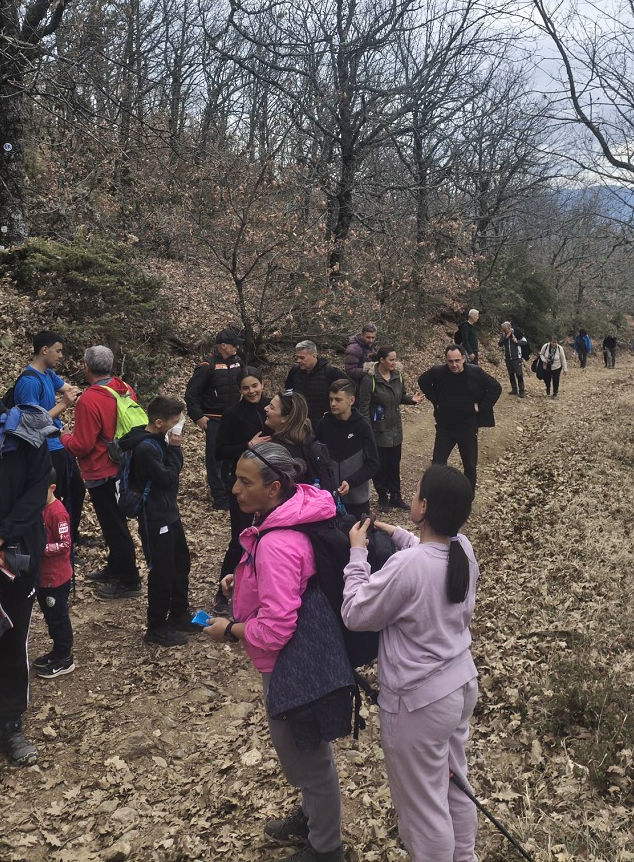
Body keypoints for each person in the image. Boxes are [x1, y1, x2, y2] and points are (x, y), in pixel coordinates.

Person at [203, 443, 346, 862]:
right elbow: (292, 582)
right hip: (310, 653)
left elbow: (277, 627)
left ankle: (326, 848)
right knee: (307, 749)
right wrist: (245, 578)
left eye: (244, 482)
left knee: (307, 759)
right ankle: (312, 817)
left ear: (274, 488)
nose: (234, 489)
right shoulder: (293, 513)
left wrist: (231, 630)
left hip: (292, 665)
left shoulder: (277, 542)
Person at [342, 465, 479, 862]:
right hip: (459, 686)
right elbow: (427, 556)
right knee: (455, 783)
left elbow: (355, 612)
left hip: (419, 703)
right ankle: (465, 856)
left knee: (424, 806)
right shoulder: (464, 549)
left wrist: (357, 554)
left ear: (424, 506)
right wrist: (399, 533)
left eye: (417, 493)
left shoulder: (409, 566)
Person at [60, 345, 143, 600]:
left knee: (113, 526)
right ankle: (116, 567)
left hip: (100, 470)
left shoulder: (89, 399)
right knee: (115, 522)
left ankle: (129, 580)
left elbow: (82, 445)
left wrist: (63, 437)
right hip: (123, 466)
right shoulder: (124, 388)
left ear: (86, 367)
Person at [0, 403, 52, 765]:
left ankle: (10, 725)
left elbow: (35, 493)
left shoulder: (28, 431)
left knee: (12, 641)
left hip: (15, 557)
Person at [119, 395, 192, 647]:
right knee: (162, 572)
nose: (178, 426)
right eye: (174, 421)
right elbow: (167, 478)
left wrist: (173, 449)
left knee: (181, 563)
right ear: (159, 422)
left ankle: (179, 613)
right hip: (154, 517)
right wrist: (176, 449)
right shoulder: (145, 448)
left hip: (169, 512)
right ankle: (156, 626)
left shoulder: (159, 440)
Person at [11, 331, 84, 543]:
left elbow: (69, 389)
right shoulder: (29, 382)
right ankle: (52, 542)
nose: (61, 356)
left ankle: (71, 537)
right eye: (58, 351)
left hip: (59, 442)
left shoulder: (48, 375)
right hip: (45, 448)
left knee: (76, 489)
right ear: (44, 350)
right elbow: (32, 422)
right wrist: (64, 404)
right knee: (54, 496)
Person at [211, 368, 271, 616]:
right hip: (242, 484)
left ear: (262, 384)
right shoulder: (232, 414)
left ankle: (260, 591)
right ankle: (221, 593)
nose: (251, 391)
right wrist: (248, 445)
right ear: (239, 390)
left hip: (270, 484)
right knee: (240, 539)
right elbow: (219, 451)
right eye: (246, 387)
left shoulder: (271, 407)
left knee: (268, 539)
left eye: (255, 385)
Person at [417, 347, 502, 494]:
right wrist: (436, 400)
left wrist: (481, 407)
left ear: (463, 358)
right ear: (446, 360)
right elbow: (422, 381)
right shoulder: (438, 372)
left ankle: (467, 497)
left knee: (469, 466)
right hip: (445, 427)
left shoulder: (475, 372)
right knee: (437, 464)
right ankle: (437, 496)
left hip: (467, 427)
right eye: (450, 361)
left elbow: (496, 388)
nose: (454, 365)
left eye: (457, 360)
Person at [357, 345, 423, 511]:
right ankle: (382, 497)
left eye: (395, 359)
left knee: (394, 464)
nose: (394, 362)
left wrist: (411, 399)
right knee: (381, 466)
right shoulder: (370, 380)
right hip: (378, 430)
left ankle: (395, 496)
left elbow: (400, 397)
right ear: (382, 360)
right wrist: (367, 432)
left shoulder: (397, 376)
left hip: (395, 430)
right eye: (391, 359)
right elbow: (363, 408)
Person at [185, 329, 244, 510]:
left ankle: (229, 491)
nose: (237, 347)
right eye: (234, 344)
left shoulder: (238, 362)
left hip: (233, 419)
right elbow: (191, 394)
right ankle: (219, 496)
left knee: (231, 456)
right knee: (215, 459)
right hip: (214, 420)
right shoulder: (206, 366)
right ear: (223, 346)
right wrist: (198, 417)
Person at [315, 380, 379, 520]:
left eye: (338, 400)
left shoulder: (362, 426)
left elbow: (373, 464)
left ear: (351, 400)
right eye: (331, 399)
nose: (333, 404)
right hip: (328, 498)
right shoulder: (324, 424)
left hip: (357, 500)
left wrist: (351, 482)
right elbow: (314, 456)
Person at [33, 469, 75, 678]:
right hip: (42, 577)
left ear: (52, 488)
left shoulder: (57, 513)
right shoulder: (37, 508)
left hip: (56, 578)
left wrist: (41, 549)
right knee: (50, 617)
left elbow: (65, 544)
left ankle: (65, 657)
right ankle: (57, 651)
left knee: (58, 618)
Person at [284, 341, 347, 429]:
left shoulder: (330, 372)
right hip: (299, 424)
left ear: (314, 356)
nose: (298, 361)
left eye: (302, 358)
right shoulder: (294, 371)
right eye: (297, 357)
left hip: (323, 425)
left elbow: (351, 389)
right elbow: (287, 393)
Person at [498, 321, 528, 397]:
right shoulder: (503, 335)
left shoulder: (517, 333)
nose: (504, 331)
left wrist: (517, 342)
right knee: (511, 374)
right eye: (503, 330)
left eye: (505, 329)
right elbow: (500, 344)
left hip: (517, 358)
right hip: (508, 358)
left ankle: (522, 391)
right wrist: (506, 337)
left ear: (509, 328)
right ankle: (514, 389)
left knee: (519, 374)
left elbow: (525, 342)